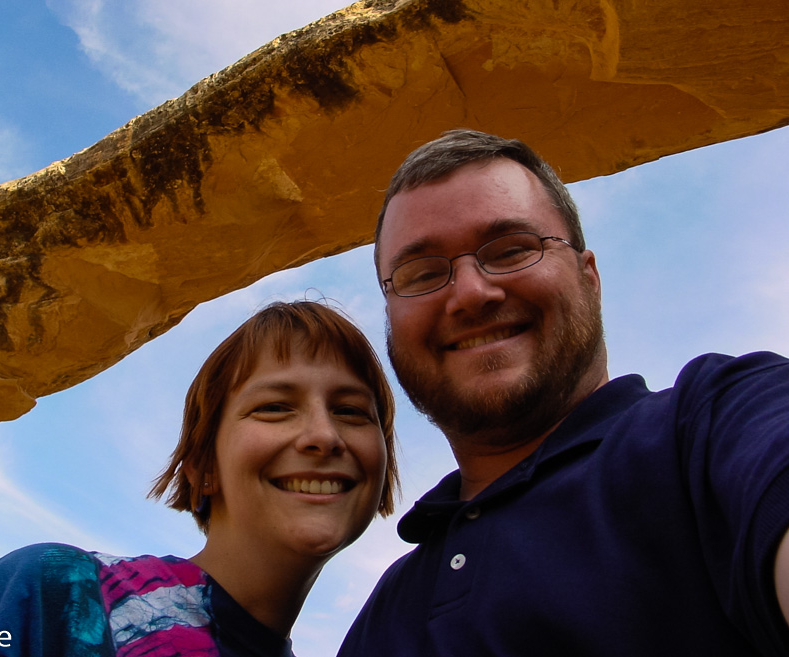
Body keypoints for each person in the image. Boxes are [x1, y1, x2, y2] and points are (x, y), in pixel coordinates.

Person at [338, 129, 789, 656]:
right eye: (422, 274)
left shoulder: (716, 424)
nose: (470, 294)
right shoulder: (382, 618)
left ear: (589, 276)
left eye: (510, 250)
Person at [0, 300, 398, 657]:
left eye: (353, 412)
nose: (323, 435)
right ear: (202, 467)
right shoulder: (49, 594)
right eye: (274, 408)